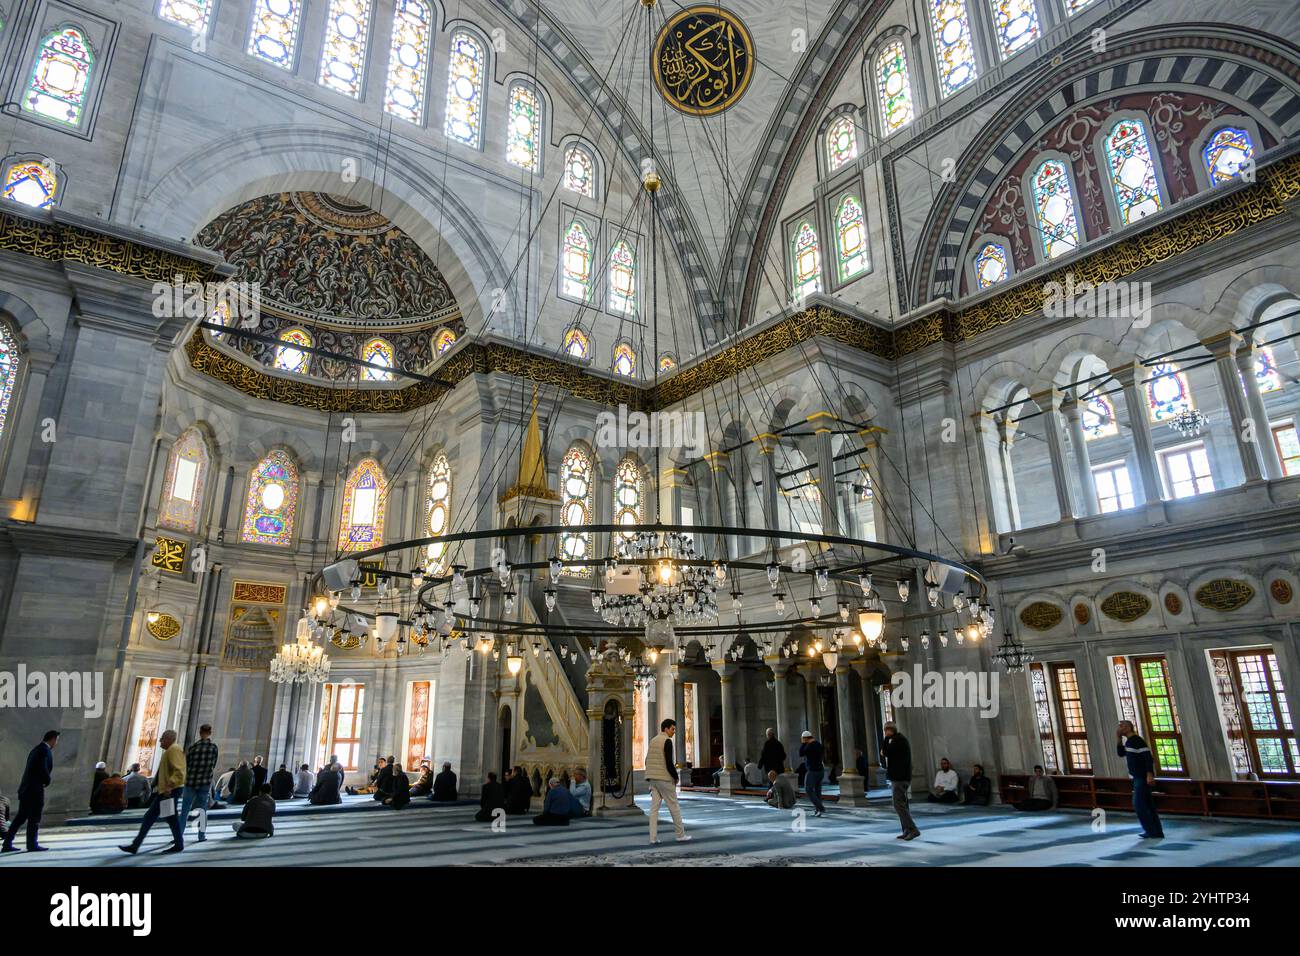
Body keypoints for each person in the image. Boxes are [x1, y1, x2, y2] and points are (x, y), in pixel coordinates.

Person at [119, 729, 186, 854]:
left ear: (169, 739)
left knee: (151, 816)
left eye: (162, 738)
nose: (160, 741)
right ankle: (178, 843)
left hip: (169, 791)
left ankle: (135, 845)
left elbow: (180, 771)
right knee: (170, 817)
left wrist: (169, 786)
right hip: (168, 790)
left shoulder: (174, 750)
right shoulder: (170, 751)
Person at [2, 729, 59, 853]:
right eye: (56, 741)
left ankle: (7, 843)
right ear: (53, 739)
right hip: (34, 790)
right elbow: (42, 768)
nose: (56, 744)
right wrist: (47, 780)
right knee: (34, 818)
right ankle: (32, 844)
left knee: (20, 817)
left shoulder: (36, 749)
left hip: (26, 789)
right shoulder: (44, 750)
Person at [646, 718, 690, 844]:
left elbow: (647, 760)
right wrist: (675, 776)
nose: (673, 732)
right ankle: (680, 835)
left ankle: (653, 838)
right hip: (664, 778)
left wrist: (650, 775)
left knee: (654, 809)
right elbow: (669, 762)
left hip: (653, 778)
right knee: (674, 806)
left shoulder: (653, 740)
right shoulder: (667, 741)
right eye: (672, 729)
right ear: (666, 729)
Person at [1118, 720, 1164, 839]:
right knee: (1148, 805)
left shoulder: (1137, 741)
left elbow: (1148, 758)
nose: (1119, 728)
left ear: (1128, 728)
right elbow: (1120, 753)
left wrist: (1149, 774)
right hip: (1137, 777)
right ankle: (1156, 832)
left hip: (1142, 777)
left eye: (1121, 726)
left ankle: (1151, 831)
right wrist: (1118, 739)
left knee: (1138, 805)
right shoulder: (1128, 742)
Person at [180, 724, 218, 843]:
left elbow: (187, 764)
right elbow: (214, 764)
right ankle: (201, 835)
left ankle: (179, 834)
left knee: (185, 810)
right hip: (205, 783)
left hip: (191, 782)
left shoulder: (193, 748)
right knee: (202, 810)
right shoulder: (213, 748)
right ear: (210, 733)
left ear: (200, 733)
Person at [881, 722, 919, 840]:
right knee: (903, 804)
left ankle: (913, 829)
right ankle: (906, 830)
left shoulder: (898, 740)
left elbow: (885, 752)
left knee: (898, 804)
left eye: (886, 730)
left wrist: (886, 739)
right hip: (900, 777)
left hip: (900, 778)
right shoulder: (898, 740)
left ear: (890, 730)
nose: (886, 733)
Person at [798, 730, 826, 817]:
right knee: (818, 792)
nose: (802, 740)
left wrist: (803, 744)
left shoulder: (809, 746)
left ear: (805, 738)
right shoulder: (819, 744)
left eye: (803, 739)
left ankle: (820, 807)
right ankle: (818, 810)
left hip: (812, 771)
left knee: (808, 789)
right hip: (820, 771)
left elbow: (800, 753)